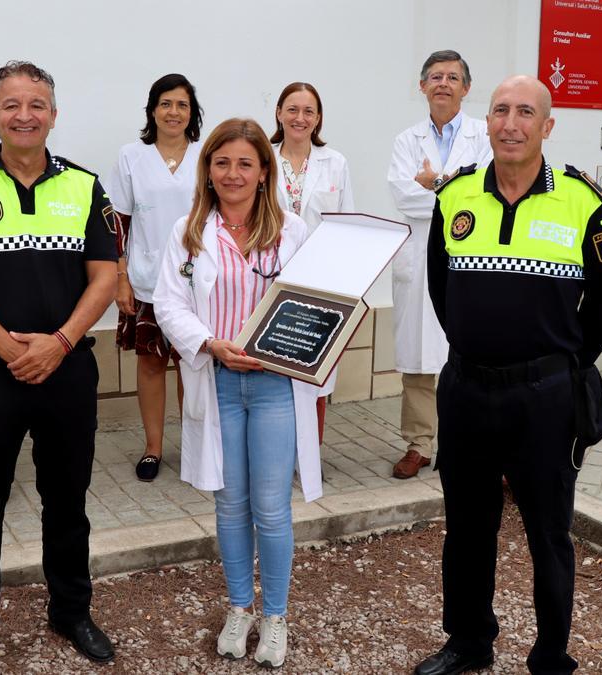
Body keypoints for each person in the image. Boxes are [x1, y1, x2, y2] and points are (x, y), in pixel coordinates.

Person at [413, 75, 602, 675]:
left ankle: (552, 654)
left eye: (525, 112)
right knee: (467, 528)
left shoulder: (584, 201)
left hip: (544, 399)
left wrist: (562, 365)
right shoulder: (454, 198)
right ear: (488, 122)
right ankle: (469, 641)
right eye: (501, 110)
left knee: (548, 532)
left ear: (547, 127)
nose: (511, 122)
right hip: (467, 392)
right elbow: (439, 286)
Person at [0, 61, 117, 673]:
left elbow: (106, 276)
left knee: (68, 502)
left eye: (36, 104)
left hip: (67, 371)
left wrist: (59, 343)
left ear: (54, 115)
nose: (24, 115)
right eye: (10, 104)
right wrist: (13, 351)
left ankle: (70, 611)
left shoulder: (86, 187)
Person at [153, 118, 322, 670]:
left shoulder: (291, 231)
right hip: (219, 379)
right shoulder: (188, 230)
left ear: (263, 170)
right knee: (230, 505)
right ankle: (239, 608)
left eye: (245, 163)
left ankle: (275, 617)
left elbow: (315, 302)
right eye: (222, 162)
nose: (233, 173)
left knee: (271, 508)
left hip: (275, 385)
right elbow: (168, 304)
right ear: (209, 170)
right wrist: (211, 344)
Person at [387, 50, 492, 479]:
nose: (443, 83)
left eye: (452, 77)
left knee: (472, 356)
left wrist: (435, 184)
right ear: (422, 86)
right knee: (417, 359)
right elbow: (403, 195)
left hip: (472, 261)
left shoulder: (485, 135)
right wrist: (453, 190)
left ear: (466, 87)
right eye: (435, 76)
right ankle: (418, 445)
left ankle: (467, 444)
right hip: (420, 258)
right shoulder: (405, 141)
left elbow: (485, 195)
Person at [105, 73, 203, 482]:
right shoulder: (132, 156)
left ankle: (197, 447)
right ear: (152, 109)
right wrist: (120, 278)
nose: (173, 112)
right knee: (150, 363)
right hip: (145, 279)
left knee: (192, 366)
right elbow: (117, 224)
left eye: (182, 104)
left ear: (191, 112)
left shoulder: (206, 154)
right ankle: (153, 448)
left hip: (198, 281)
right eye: (165, 103)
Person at [268, 81, 354, 439]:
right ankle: (275, 448)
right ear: (279, 113)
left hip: (321, 281)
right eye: (292, 109)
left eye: (308, 111)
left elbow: (347, 225)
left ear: (318, 118)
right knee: (273, 367)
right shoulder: (262, 157)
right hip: (269, 277)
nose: (300, 118)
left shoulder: (335, 163)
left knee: (313, 370)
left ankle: (309, 456)